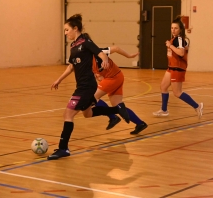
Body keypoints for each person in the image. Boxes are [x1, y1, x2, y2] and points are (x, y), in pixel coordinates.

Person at [47, 14, 130, 160]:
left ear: (75, 28)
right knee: (88, 113)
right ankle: (117, 109)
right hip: (83, 86)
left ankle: (63, 149)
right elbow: (71, 67)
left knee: (68, 115)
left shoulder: (86, 42)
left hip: (86, 87)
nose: (65, 33)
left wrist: (104, 60)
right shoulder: (73, 47)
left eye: (67, 30)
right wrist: (58, 79)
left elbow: (100, 53)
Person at [153, 15, 203, 118]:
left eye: (175, 28)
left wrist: (170, 46)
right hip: (171, 67)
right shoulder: (175, 39)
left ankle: (197, 106)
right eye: (172, 28)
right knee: (163, 87)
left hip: (178, 68)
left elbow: (180, 53)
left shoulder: (179, 39)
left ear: (180, 29)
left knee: (177, 93)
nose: (173, 30)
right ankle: (164, 110)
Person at [92, 46, 148, 135]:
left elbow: (116, 48)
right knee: (117, 106)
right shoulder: (85, 58)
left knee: (92, 98)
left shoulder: (99, 52)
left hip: (113, 78)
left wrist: (129, 56)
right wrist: (97, 75)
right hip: (116, 76)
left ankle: (112, 117)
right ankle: (140, 123)